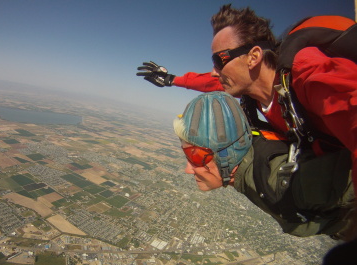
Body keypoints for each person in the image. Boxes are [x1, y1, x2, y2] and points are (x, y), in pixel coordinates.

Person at [137, 4, 357, 197]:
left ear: (253, 57)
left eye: (219, 60)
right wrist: (171, 79)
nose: (215, 72)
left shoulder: (308, 73)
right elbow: (209, 82)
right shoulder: (253, 89)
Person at [174, 91, 354, 238]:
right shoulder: (250, 166)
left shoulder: (281, 180)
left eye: (195, 156)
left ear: (226, 154)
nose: (188, 169)